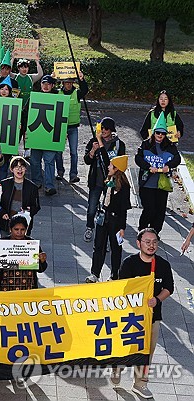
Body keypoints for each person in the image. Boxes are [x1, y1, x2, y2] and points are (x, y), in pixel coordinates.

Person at [112, 228, 174, 399]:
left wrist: (157, 299)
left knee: (147, 351)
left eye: (154, 242)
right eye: (147, 242)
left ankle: (141, 383)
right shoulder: (129, 263)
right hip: (130, 317)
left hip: (153, 318)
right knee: (125, 346)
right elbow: (122, 289)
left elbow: (169, 287)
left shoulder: (163, 265)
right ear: (139, 244)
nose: (151, 245)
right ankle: (117, 366)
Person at [85, 155, 131, 283]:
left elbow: (124, 210)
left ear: (116, 169)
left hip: (116, 221)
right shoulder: (108, 180)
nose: (108, 167)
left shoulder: (124, 187)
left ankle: (114, 275)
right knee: (98, 246)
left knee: (116, 248)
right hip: (103, 218)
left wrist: (122, 227)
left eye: (111, 165)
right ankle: (94, 273)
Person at [135, 112, 180, 234]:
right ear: (154, 133)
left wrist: (168, 167)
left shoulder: (170, 146)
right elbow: (138, 158)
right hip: (147, 182)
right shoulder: (145, 144)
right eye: (158, 132)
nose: (160, 135)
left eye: (163, 133)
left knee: (160, 211)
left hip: (162, 184)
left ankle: (155, 232)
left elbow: (177, 159)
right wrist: (148, 167)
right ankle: (142, 230)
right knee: (149, 209)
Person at [83, 117, 126, 242]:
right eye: (102, 127)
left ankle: (105, 234)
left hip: (111, 182)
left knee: (108, 210)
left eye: (106, 128)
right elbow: (87, 160)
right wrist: (92, 150)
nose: (103, 130)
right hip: (96, 181)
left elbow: (121, 163)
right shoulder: (94, 141)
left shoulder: (118, 144)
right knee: (92, 207)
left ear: (111, 130)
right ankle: (89, 227)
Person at [0, 214, 47, 291]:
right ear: (10, 229)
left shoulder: (32, 244)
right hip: (3, 290)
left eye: (22, 230)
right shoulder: (1, 244)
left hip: (27, 289)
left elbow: (41, 269)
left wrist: (42, 261)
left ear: (26, 229)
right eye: (16, 229)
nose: (19, 233)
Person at [55, 71, 89, 183]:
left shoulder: (77, 93)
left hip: (73, 128)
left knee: (74, 152)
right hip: (60, 127)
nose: (68, 84)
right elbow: (46, 91)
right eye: (66, 82)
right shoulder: (57, 93)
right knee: (58, 151)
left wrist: (82, 79)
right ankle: (60, 172)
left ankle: (73, 174)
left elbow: (85, 90)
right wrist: (52, 78)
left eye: (70, 82)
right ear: (63, 83)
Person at [29, 74, 58, 193]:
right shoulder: (34, 97)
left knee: (49, 161)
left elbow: (62, 117)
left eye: (48, 84)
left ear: (52, 85)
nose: (45, 86)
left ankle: (49, 185)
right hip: (36, 134)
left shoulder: (58, 98)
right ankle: (36, 182)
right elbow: (27, 114)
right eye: (43, 83)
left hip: (51, 135)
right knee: (35, 160)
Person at [0, 156, 40, 236]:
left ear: (25, 169)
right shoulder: (4, 184)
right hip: (5, 224)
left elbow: (37, 206)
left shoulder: (32, 187)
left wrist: (30, 210)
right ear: (11, 169)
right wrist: (2, 212)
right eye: (16, 167)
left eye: (22, 167)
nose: (20, 170)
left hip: (24, 227)